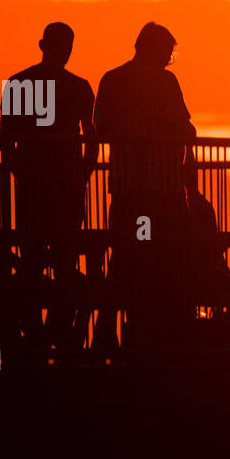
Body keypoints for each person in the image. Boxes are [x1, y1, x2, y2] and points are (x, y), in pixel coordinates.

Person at [93, 22, 197, 358]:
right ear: (158, 50)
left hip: (125, 188)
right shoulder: (166, 82)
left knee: (123, 260)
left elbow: (102, 128)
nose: (169, 61)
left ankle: (109, 336)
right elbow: (185, 127)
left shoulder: (112, 79)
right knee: (166, 261)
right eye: (168, 54)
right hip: (164, 188)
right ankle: (161, 339)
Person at [0, 22, 97, 361]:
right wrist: (82, 175)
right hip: (65, 186)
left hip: (35, 188)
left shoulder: (19, 83)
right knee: (64, 262)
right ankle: (59, 332)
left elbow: (5, 139)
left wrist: (20, 172)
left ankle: (35, 333)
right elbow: (91, 139)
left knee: (32, 261)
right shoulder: (80, 87)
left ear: (42, 44)